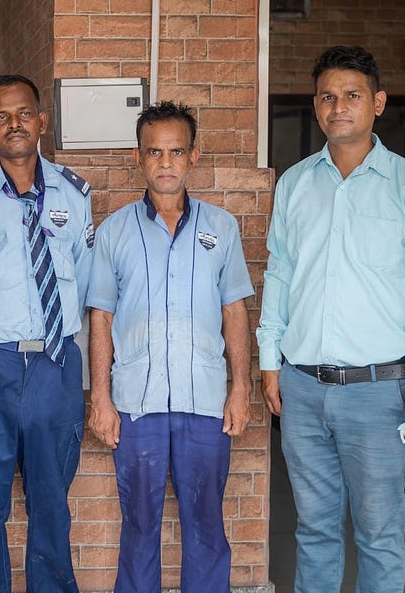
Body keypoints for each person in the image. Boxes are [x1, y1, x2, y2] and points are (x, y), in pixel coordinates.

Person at [256, 45, 405, 593]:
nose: (338, 106)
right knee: (315, 529)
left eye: (351, 95)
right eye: (327, 96)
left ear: (377, 103)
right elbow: (279, 275)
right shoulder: (296, 183)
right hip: (301, 388)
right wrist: (269, 362)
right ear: (316, 105)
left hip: (379, 392)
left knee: (378, 531)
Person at [86, 101, 254, 593]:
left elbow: (235, 311)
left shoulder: (220, 228)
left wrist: (241, 386)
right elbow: (101, 316)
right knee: (139, 527)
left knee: (206, 524)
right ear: (139, 158)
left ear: (193, 156)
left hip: (204, 400)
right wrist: (100, 396)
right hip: (137, 403)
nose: (165, 163)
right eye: (154, 152)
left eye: (176, 151)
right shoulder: (114, 231)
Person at [0, 75, 94, 593]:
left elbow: (85, 280)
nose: (15, 124)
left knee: (52, 500)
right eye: (2, 117)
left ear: (42, 121)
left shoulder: (75, 196)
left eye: (24, 114)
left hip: (54, 362)